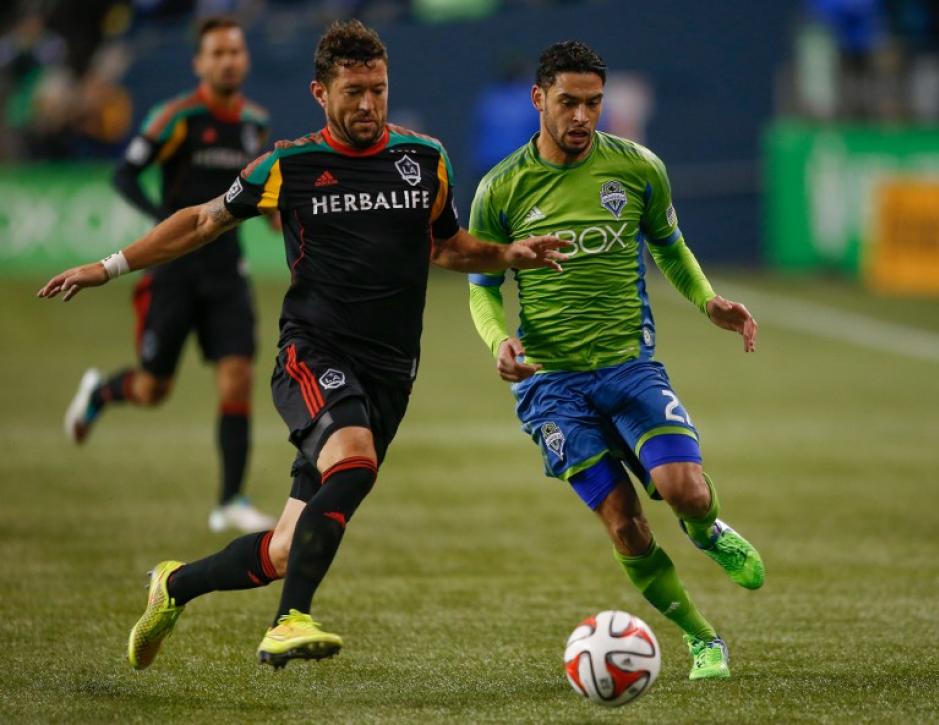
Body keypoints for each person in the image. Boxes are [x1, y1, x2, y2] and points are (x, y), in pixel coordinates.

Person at [38, 19, 565, 670]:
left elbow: (447, 244)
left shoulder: (424, 159)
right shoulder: (289, 166)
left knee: (286, 548)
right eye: (353, 92)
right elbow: (202, 219)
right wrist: (109, 265)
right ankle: (290, 618)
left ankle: (174, 585)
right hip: (312, 354)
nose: (368, 104)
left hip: (392, 373)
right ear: (321, 92)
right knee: (353, 462)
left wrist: (506, 252)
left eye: (378, 89)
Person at [467, 41, 764, 681]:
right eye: (568, 102)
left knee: (686, 491)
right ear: (538, 98)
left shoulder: (637, 169)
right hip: (551, 387)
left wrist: (708, 301)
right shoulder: (501, 189)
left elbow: (671, 247)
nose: (582, 116)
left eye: (593, 103)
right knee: (626, 526)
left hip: (629, 366)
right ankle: (702, 639)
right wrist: (500, 343)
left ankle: (707, 530)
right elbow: (482, 288)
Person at [62, 16, 275, 534]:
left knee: (237, 374)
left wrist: (276, 214)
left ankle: (230, 500)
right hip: (174, 268)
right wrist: (163, 221)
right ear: (199, 63)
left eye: (235, 51)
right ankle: (101, 392)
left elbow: (258, 188)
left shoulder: (255, 122)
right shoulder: (176, 117)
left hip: (227, 269)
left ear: (244, 59)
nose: (228, 60)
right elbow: (124, 172)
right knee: (154, 388)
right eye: (217, 53)